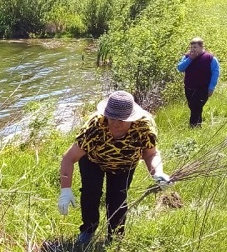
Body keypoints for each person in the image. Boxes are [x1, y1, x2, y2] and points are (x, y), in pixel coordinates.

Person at [58, 91, 170, 244]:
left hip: (125, 164)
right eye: (112, 117)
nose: (115, 123)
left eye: (122, 119)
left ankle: (115, 237)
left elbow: (150, 154)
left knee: (118, 199)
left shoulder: (144, 126)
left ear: (132, 118)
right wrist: (65, 190)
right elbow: (69, 158)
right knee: (91, 193)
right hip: (93, 161)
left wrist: (158, 172)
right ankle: (88, 230)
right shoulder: (95, 125)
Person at [176, 37, 220, 127]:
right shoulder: (187, 57)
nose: (192, 49)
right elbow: (180, 68)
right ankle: (198, 126)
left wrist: (211, 87)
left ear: (201, 47)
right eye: (191, 47)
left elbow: (215, 72)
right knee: (194, 107)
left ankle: (192, 127)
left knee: (196, 107)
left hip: (203, 88)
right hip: (189, 88)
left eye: (195, 47)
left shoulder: (209, 58)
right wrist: (190, 59)